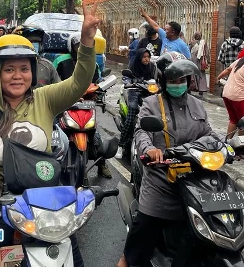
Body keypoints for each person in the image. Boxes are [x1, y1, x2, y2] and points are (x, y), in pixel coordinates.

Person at [0, 3, 101, 267]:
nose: (17, 76)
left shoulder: (45, 99)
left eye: (24, 69)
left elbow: (79, 82)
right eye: (9, 69)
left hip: (45, 208)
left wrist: (87, 40)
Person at [116, 52, 218, 267]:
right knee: (142, 235)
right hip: (161, 178)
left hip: (193, 179)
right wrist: (150, 149)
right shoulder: (152, 104)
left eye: (182, 80)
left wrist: (222, 144)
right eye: (173, 80)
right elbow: (141, 131)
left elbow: (209, 133)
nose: (178, 84)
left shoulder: (197, 105)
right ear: (163, 80)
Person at [55, 32, 110, 178]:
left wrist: (98, 92)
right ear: (71, 47)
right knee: (52, 129)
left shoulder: (93, 62)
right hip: (64, 102)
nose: (81, 48)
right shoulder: (61, 61)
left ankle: (102, 164)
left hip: (85, 104)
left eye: (84, 45)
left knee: (94, 132)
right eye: (78, 45)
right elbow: (53, 80)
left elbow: (98, 82)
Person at [116, 48, 158, 159]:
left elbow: (157, 79)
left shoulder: (152, 67)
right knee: (132, 113)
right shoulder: (133, 66)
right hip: (134, 91)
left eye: (148, 57)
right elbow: (126, 78)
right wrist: (129, 83)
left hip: (148, 93)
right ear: (139, 57)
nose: (146, 59)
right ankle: (121, 145)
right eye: (144, 57)